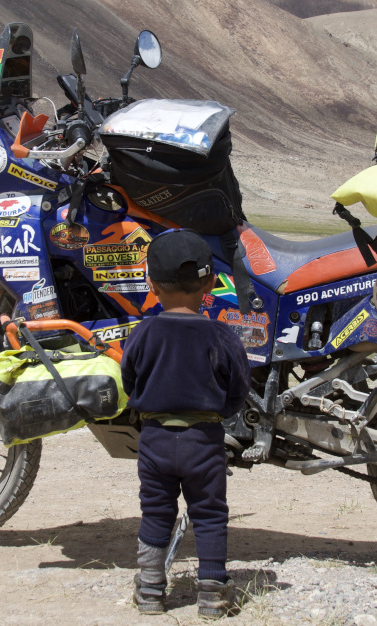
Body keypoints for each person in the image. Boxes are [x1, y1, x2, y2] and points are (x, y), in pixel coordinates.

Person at [120, 229, 251, 618]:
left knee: (156, 512)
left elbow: (130, 381)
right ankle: (212, 594)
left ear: (151, 285)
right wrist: (220, 413)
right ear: (210, 284)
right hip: (204, 440)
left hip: (155, 441)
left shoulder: (142, 333)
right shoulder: (222, 335)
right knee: (209, 513)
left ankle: (150, 590)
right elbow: (239, 388)